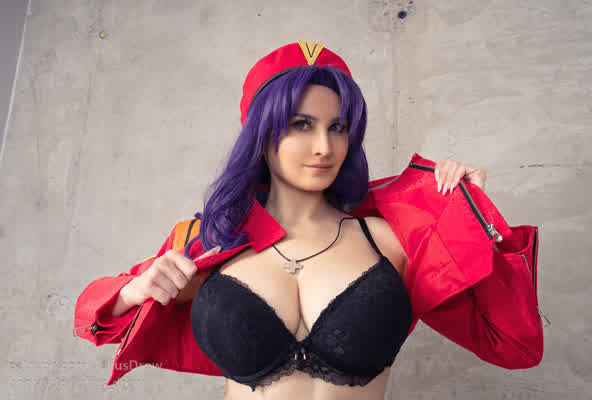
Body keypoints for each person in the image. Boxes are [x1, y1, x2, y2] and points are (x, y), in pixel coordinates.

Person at [73, 41, 543, 400]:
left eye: (337, 127)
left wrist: (476, 220)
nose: (324, 147)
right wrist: (132, 291)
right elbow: (98, 320)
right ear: (261, 134)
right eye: (302, 125)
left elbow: (512, 344)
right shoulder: (208, 241)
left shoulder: (395, 241)